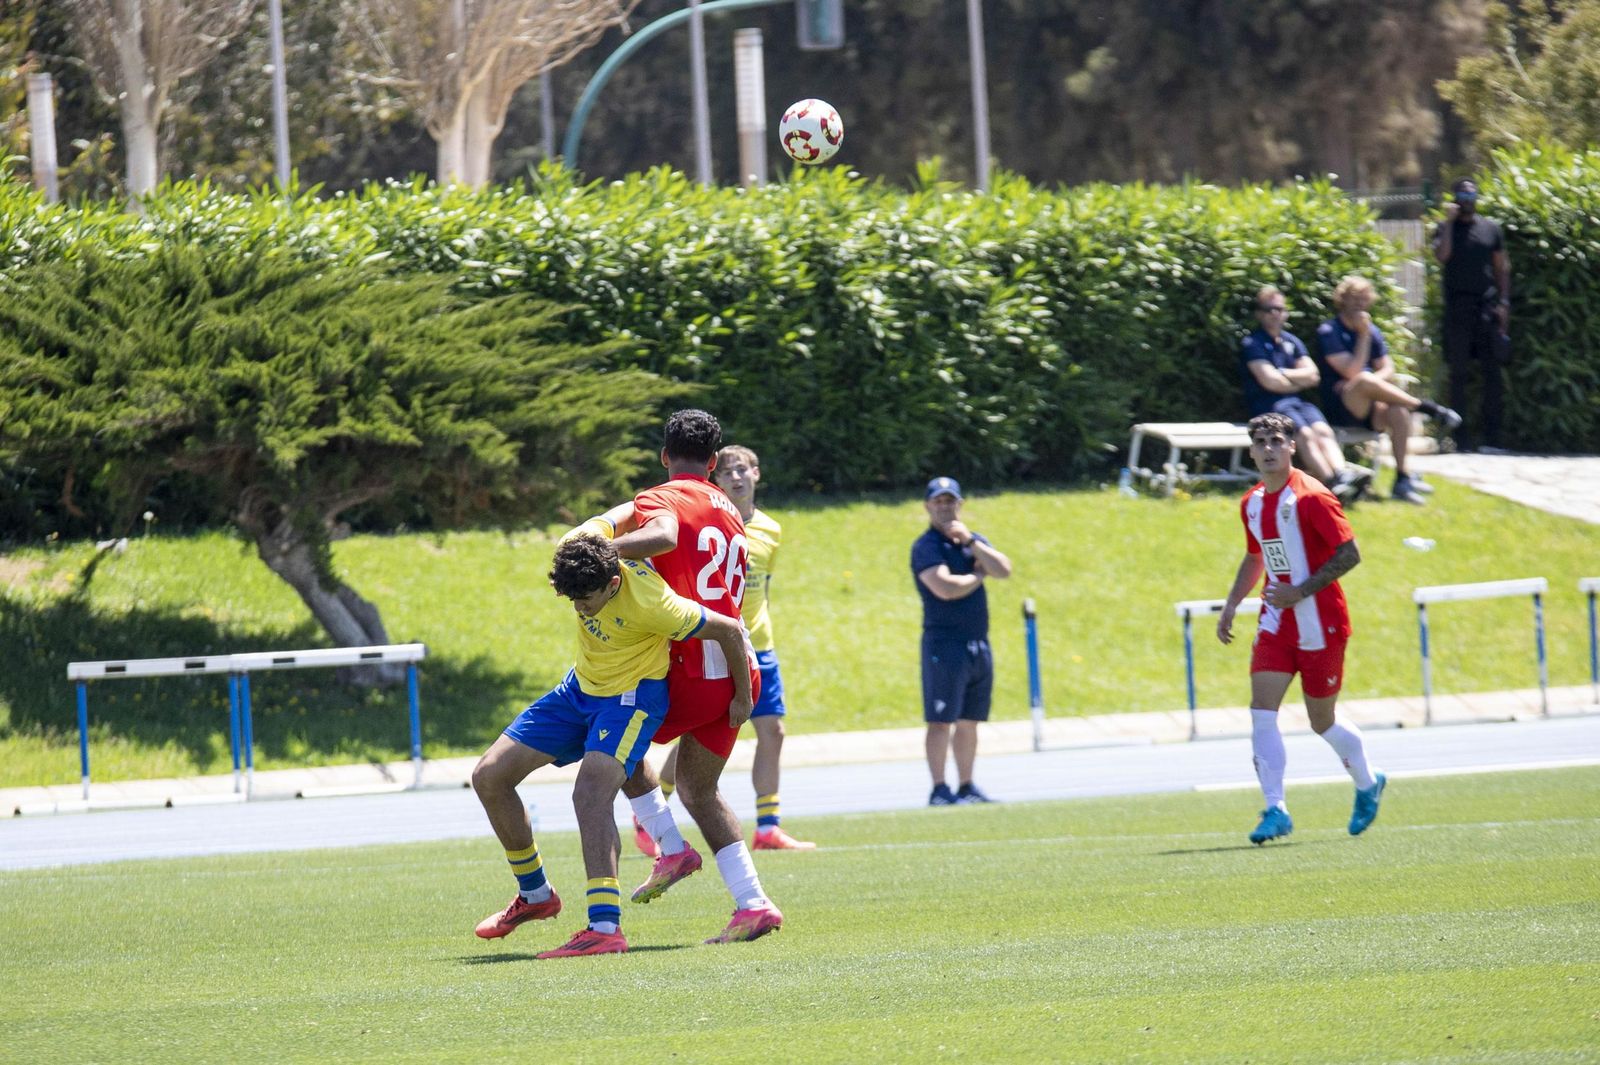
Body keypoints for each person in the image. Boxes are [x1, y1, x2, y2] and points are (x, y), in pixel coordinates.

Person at [469, 528, 754, 958]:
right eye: (572, 600)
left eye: (587, 600)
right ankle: (536, 894)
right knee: (488, 776)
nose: (580, 609)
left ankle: (604, 927)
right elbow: (607, 522)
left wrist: (743, 698)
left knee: (590, 794)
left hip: (630, 699)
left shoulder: (653, 603)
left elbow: (730, 630)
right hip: (578, 690)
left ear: (614, 582)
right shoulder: (582, 552)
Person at [612, 409, 785, 945]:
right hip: (741, 670)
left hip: (692, 666)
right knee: (698, 789)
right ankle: (753, 903)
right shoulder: (735, 513)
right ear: (713, 464)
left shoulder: (658, 498)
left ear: (665, 456)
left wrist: (598, 549)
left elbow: (663, 538)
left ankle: (668, 846)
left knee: (608, 744)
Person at [1215, 413, 1386, 845]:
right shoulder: (1252, 501)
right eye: (1259, 442)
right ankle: (1276, 809)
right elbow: (1256, 557)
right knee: (1261, 710)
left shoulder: (1311, 497)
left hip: (1322, 623)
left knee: (1321, 721)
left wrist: (1301, 590)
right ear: (1251, 450)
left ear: (1292, 446)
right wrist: (1232, 603)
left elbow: (1350, 554)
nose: (1268, 449)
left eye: (1276, 440)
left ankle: (1367, 782)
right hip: (1276, 622)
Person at [642, 445, 816, 851]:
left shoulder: (771, 530)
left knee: (773, 730)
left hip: (760, 647)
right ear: (716, 476)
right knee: (694, 737)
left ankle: (768, 825)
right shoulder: (710, 522)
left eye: (744, 470)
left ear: (756, 474)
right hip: (712, 645)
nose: (736, 478)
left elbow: (761, 589)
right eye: (729, 472)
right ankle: (650, 813)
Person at [1313, 276, 1461, 506]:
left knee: (1398, 409)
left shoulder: (1372, 330)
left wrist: (1371, 382)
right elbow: (1351, 371)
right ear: (1343, 300)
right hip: (1341, 405)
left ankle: (1402, 479)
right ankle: (1426, 408)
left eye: (1364, 299)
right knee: (1362, 378)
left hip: (1370, 406)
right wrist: (1363, 337)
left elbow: (1388, 369)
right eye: (1354, 299)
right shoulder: (1329, 331)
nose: (1360, 304)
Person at [911, 476, 1012, 806]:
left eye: (950, 500)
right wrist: (978, 574)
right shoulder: (926, 546)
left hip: (977, 642)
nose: (945, 507)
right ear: (928, 506)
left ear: (960, 504)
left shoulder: (971, 541)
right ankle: (939, 788)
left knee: (970, 720)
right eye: (938, 501)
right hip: (944, 644)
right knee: (941, 720)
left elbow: (1004, 570)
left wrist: (972, 543)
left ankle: (967, 784)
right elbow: (946, 588)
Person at [1239, 284, 1371, 501]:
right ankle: (1334, 483)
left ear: (1286, 313)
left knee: (1323, 431)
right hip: (1269, 406)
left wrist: (1284, 375)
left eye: (1279, 309)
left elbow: (1313, 375)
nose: (1275, 314)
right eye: (1269, 309)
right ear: (1259, 314)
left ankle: (1343, 476)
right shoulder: (1253, 343)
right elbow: (1270, 382)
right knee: (1306, 435)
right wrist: (1295, 379)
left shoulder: (1292, 341)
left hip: (1296, 403)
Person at [1433, 177, 1511, 452]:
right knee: (1459, 374)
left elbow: (1501, 268)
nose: (1467, 201)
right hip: (1457, 309)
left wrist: (1503, 302)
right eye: (1462, 197)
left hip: (1486, 308)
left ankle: (1493, 438)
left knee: (1492, 373)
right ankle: (1461, 440)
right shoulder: (1444, 228)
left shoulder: (1491, 229)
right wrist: (1451, 223)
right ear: (1455, 200)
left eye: (1471, 196)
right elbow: (1442, 256)